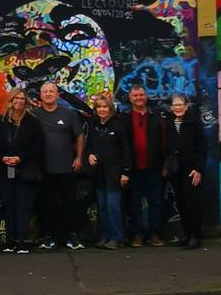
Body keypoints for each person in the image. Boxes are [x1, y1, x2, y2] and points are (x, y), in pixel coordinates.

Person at [0, 88, 43, 253]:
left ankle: (22, 240)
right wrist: (2, 157)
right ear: (11, 101)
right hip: (4, 170)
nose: (19, 101)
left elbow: (38, 146)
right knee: (8, 204)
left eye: (22, 99)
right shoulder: (1, 121)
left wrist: (21, 158)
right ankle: (10, 239)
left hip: (25, 170)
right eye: (16, 98)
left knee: (23, 205)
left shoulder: (32, 122)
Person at [34, 79, 85, 250]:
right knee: (46, 204)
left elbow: (79, 136)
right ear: (40, 95)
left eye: (51, 91)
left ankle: (72, 236)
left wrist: (78, 157)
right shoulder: (34, 115)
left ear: (57, 94)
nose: (48, 94)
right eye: (45, 91)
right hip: (44, 168)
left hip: (67, 167)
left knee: (69, 203)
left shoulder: (69, 114)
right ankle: (48, 237)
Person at [121, 84, 166, 247]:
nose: (138, 98)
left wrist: (165, 163)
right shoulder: (124, 118)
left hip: (154, 167)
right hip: (133, 169)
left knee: (156, 201)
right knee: (134, 203)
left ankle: (154, 233)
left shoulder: (156, 116)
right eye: (135, 95)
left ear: (146, 97)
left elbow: (164, 140)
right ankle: (137, 234)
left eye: (141, 95)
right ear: (130, 98)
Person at [85, 92, 131, 250]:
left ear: (110, 108)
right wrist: (89, 154)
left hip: (115, 173)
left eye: (105, 107)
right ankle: (105, 235)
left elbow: (126, 150)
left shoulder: (118, 125)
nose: (102, 110)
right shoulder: (93, 124)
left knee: (113, 205)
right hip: (99, 173)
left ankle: (117, 237)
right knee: (102, 206)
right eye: (99, 107)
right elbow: (88, 144)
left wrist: (125, 172)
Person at [163, 93, 207, 249]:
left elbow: (202, 147)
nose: (178, 107)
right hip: (175, 169)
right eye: (175, 105)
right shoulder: (169, 123)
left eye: (181, 104)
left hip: (191, 168)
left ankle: (195, 236)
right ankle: (187, 235)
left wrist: (198, 169)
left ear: (187, 106)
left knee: (192, 203)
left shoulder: (194, 122)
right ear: (171, 107)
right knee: (181, 202)